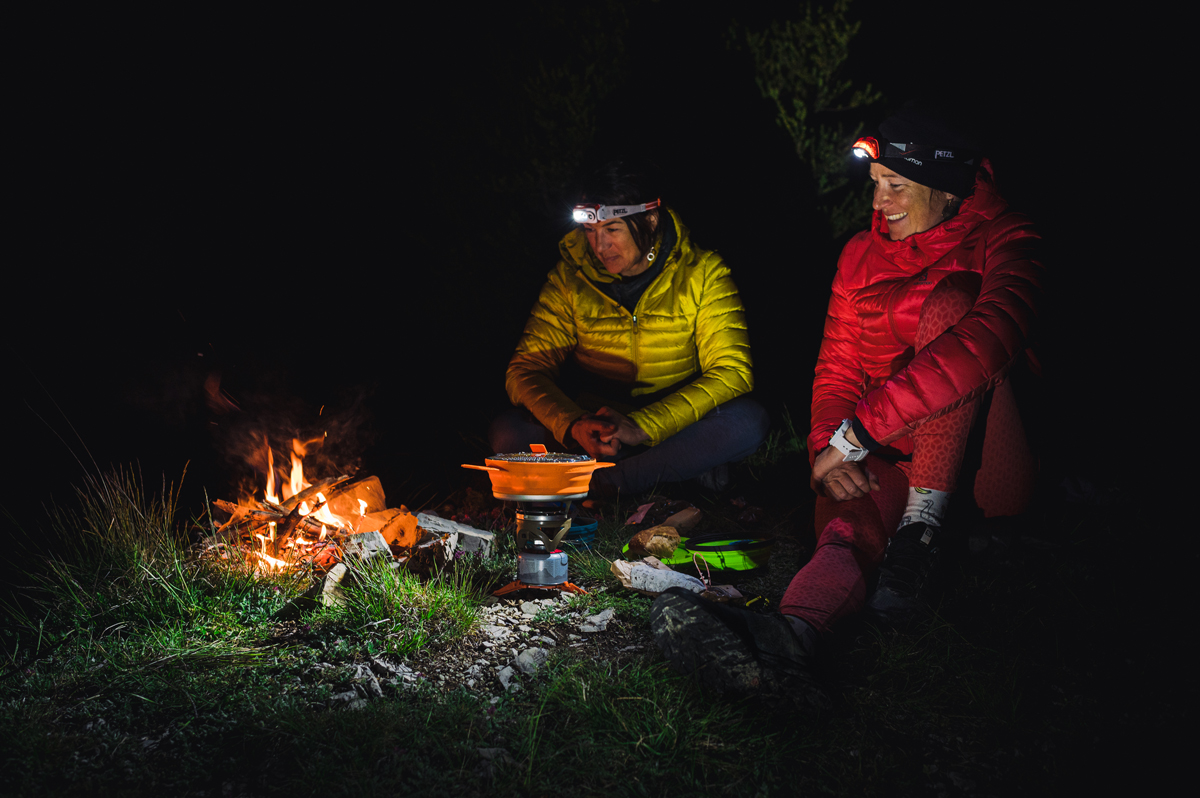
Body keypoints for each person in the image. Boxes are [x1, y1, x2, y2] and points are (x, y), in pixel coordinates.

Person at [651, 104, 1042, 703]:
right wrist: (827, 449)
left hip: (984, 465)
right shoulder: (860, 254)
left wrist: (856, 433)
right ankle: (791, 640)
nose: (879, 201)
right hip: (883, 447)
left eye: (896, 186)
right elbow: (835, 370)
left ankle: (925, 530)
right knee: (843, 527)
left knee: (953, 304)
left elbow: (991, 336)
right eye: (876, 185)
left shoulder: (1009, 236)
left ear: (944, 189)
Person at [490, 161, 768, 497]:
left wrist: (644, 426)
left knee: (747, 422)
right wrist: (573, 424)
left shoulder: (702, 273)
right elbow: (525, 369)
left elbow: (733, 371)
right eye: (591, 231)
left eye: (612, 230)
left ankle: (605, 483)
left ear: (649, 220)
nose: (599, 246)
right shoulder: (570, 280)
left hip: (672, 427)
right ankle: (665, 475)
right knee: (508, 431)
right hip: (595, 429)